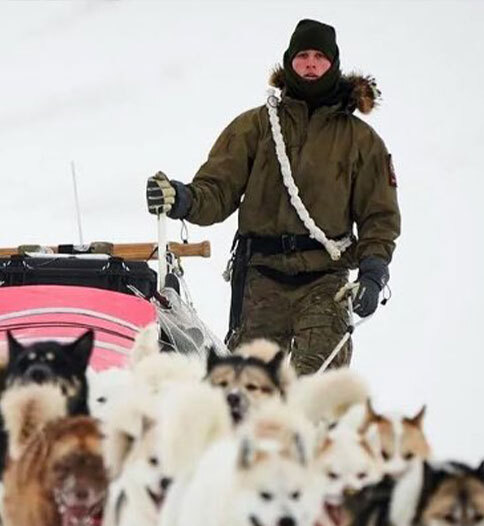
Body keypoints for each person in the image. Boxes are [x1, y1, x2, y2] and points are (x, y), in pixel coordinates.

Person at [147, 19, 401, 374]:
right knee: (243, 387)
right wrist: (183, 199)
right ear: (288, 62)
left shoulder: (362, 141)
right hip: (261, 278)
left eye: (319, 56)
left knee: (315, 384)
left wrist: (373, 275)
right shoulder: (256, 127)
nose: (310, 63)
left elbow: (380, 218)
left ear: (333, 64)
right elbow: (217, 189)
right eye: (302, 56)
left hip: (325, 280)